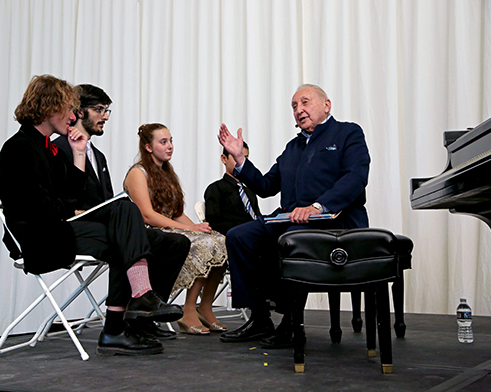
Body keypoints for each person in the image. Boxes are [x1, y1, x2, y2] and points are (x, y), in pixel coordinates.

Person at [0, 75, 190, 357]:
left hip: (61, 227)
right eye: (69, 108)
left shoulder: (48, 147)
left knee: (160, 237)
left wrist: (78, 153)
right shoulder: (19, 148)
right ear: (50, 108)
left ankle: (131, 316)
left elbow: (72, 193)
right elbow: (35, 207)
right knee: (124, 217)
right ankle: (124, 319)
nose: (73, 116)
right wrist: (73, 210)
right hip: (42, 237)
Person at [216, 84, 370, 346]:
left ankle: (290, 323)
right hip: (290, 218)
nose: (299, 110)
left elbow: (356, 178)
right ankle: (260, 318)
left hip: (335, 220)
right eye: (294, 106)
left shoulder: (348, 133)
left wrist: (319, 207)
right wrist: (240, 158)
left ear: (326, 105)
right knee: (239, 236)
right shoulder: (293, 147)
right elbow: (266, 186)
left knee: (290, 239)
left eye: (305, 103)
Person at [54, 84, 189, 341]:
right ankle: (131, 311)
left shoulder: (99, 156)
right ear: (79, 111)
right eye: (98, 109)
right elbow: (60, 196)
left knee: (176, 243)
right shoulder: (59, 148)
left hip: (101, 223)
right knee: (125, 216)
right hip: (75, 228)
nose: (105, 116)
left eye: (107, 110)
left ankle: (146, 312)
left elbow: (106, 203)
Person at [124, 123, 228, 335]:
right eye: (163, 142)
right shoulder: (138, 173)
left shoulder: (167, 173)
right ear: (148, 147)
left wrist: (196, 227)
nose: (170, 146)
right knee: (204, 244)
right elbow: (147, 215)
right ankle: (187, 309)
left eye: (171, 141)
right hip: (147, 233)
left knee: (221, 240)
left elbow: (176, 212)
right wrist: (189, 230)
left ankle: (205, 306)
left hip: (169, 228)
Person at [204, 142, 261, 235]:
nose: (240, 162)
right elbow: (214, 223)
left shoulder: (249, 191)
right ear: (224, 158)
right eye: (236, 157)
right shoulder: (215, 189)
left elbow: (258, 217)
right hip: (239, 237)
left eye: (244, 158)